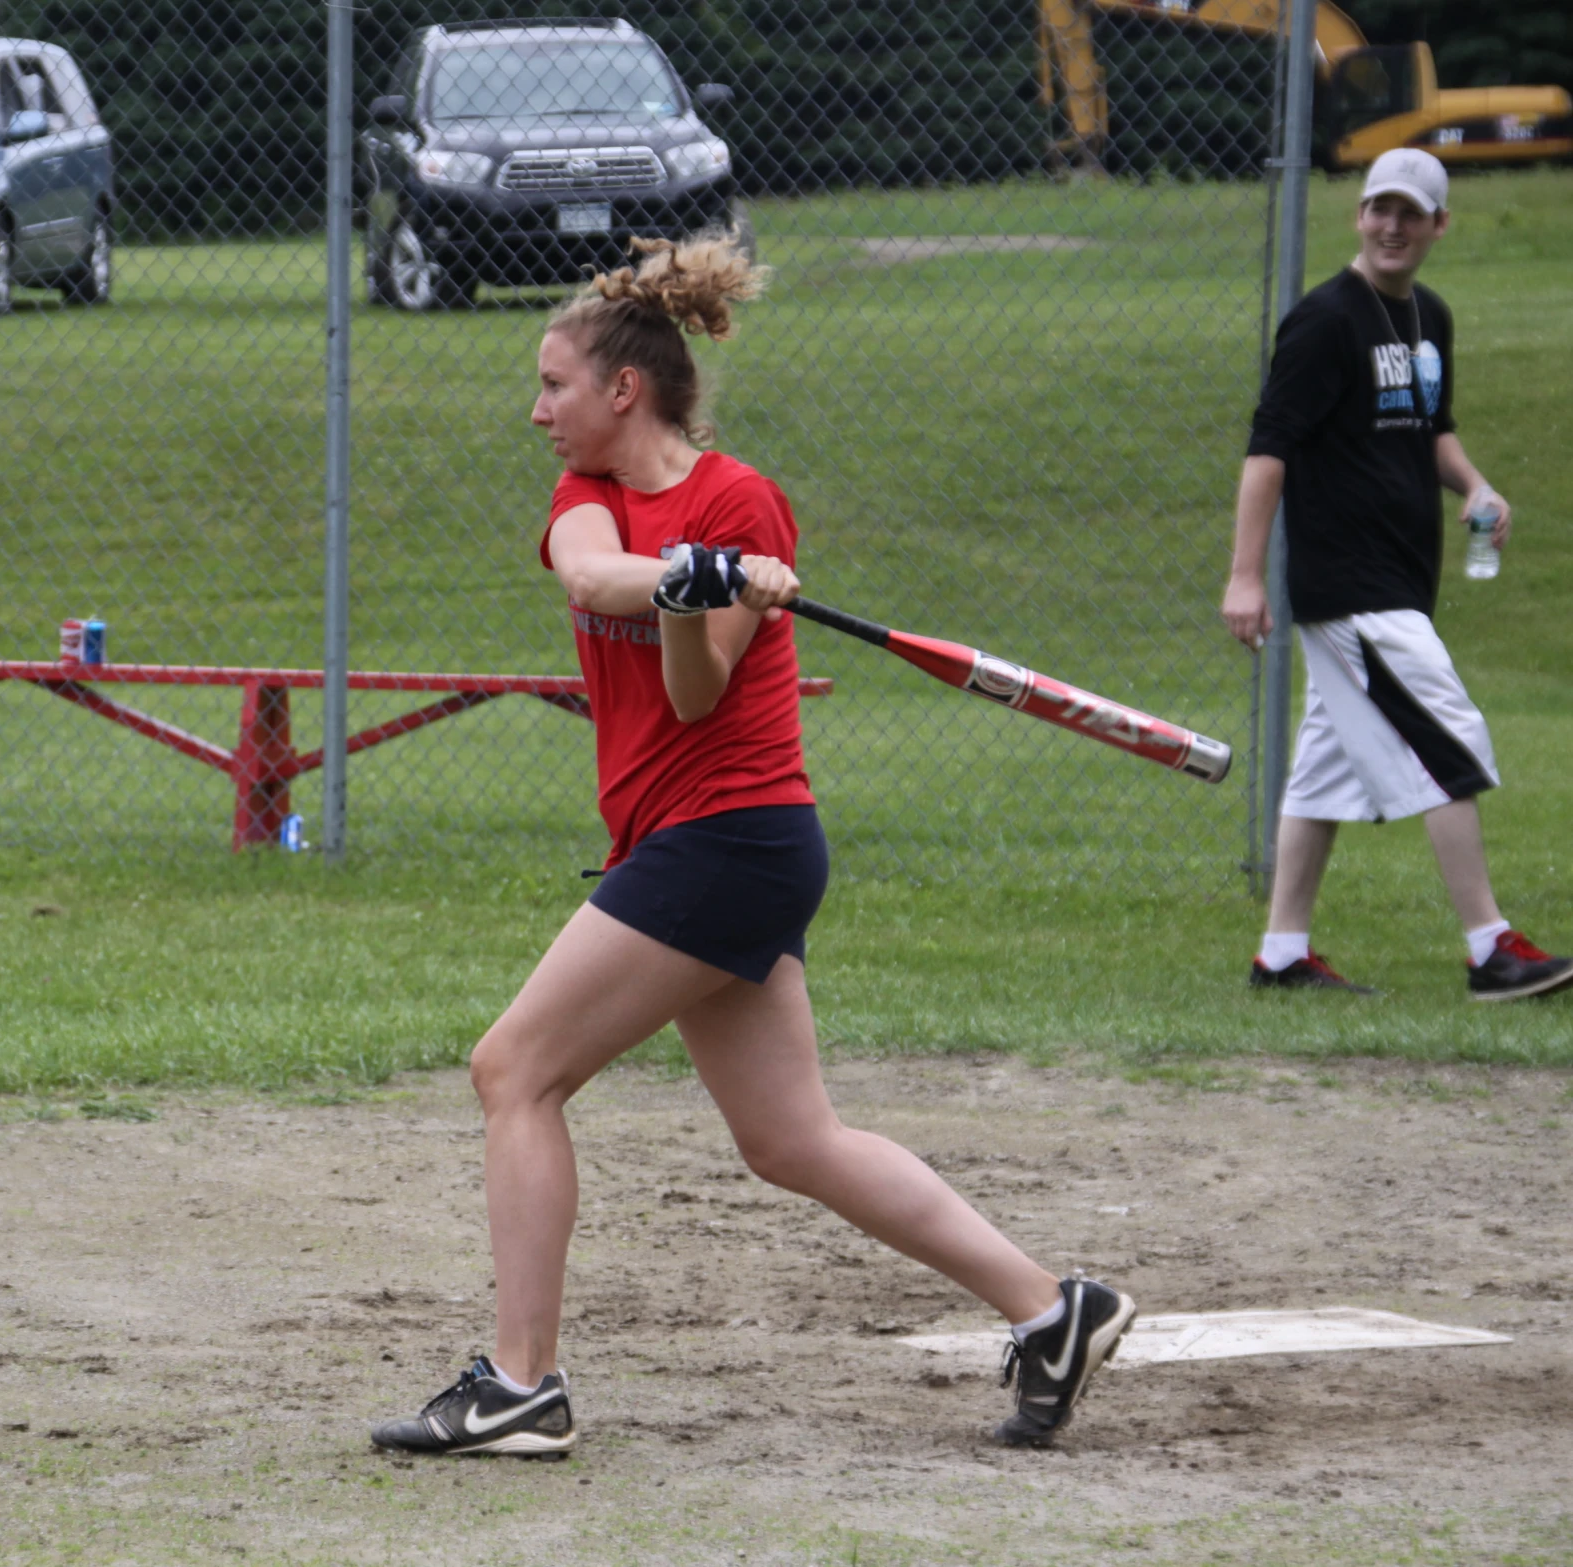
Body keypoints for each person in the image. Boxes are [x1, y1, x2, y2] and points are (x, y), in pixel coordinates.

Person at [368, 237, 1134, 1459]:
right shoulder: (594, 502)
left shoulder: (740, 499)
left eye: (553, 384)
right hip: (700, 845)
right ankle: (1053, 1310)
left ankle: (520, 1384)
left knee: (513, 1070)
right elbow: (588, 581)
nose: (537, 409)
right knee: (789, 1139)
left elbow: (693, 690)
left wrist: (698, 590)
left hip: (729, 837)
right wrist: (683, 574)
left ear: (623, 390)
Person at [1222, 148, 1571, 1003]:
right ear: (1359, 215)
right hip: (1353, 589)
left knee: (1322, 771)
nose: (1392, 226)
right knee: (1449, 739)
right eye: (1380, 208)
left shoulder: (1428, 318)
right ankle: (1491, 946)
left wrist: (1477, 483)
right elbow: (1268, 451)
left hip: (1399, 578)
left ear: (1438, 225)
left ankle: (1282, 954)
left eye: (1411, 213)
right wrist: (1245, 576)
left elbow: (1431, 428)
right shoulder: (1324, 321)